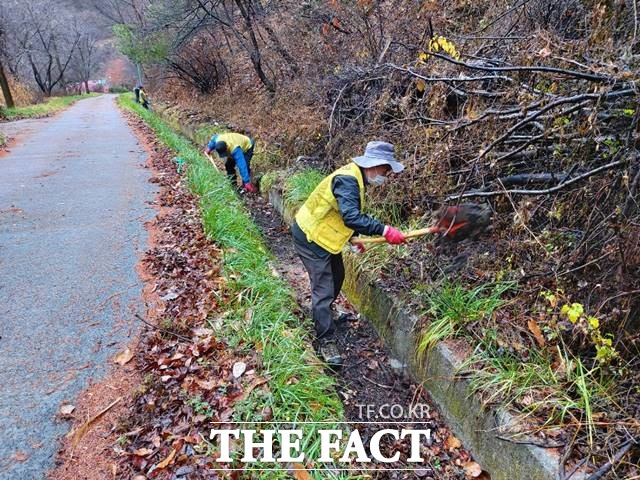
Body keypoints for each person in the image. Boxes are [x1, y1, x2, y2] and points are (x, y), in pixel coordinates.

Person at [292, 140, 406, 367]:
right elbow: (351, 216)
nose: (386, 175)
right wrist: (385, 230)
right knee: (323, 289)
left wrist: (353, 239)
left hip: (326, 238)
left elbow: (345, 213)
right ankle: (325, 340)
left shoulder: (356, 178)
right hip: (311, 237)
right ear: (374, 165)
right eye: (386, 170)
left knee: (338, 276)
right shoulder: (348, 180)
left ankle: (326, 314)